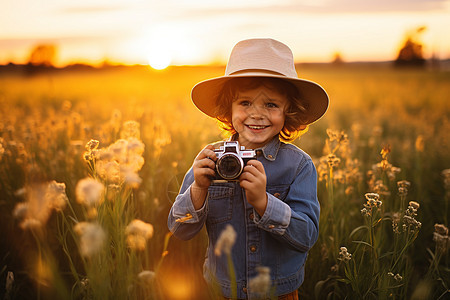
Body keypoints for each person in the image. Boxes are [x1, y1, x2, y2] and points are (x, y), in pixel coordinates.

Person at [167, 38, 329, 300]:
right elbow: (178, 229)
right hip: (223, 291)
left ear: (288, 110)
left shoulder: (298, 166)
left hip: (278, 293)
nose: (257, 114)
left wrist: (265, 203)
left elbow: (307, 237)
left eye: (271, 105)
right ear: (227, 108)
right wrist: (198, 189)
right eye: (245, 103)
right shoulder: (210, 160)